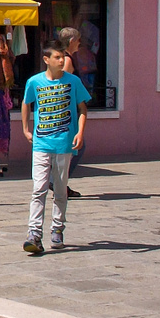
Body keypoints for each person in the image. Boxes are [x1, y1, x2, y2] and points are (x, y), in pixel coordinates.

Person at [20, 40, 91, 255]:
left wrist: (80, 132)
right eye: (57, 57)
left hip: (64, 144)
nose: (62, 60)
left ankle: (57, 229)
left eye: (63, 57)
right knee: (38, 188)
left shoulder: (73, 82)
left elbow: (82, 108)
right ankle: (34, 233)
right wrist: (25, 129)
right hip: (41, 143)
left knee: (60, 189)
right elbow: (26, 103)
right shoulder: (34, 82)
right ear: (46, 60)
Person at [56, 27, 87, 197]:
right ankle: (58, 182)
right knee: (76, 146)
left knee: (70, 148)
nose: (79, 43)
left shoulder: (60, 57)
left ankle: (59, 183)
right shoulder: (67, 61)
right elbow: (63, 86)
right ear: (71, 41)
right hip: (67, 110)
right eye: (78, 40)